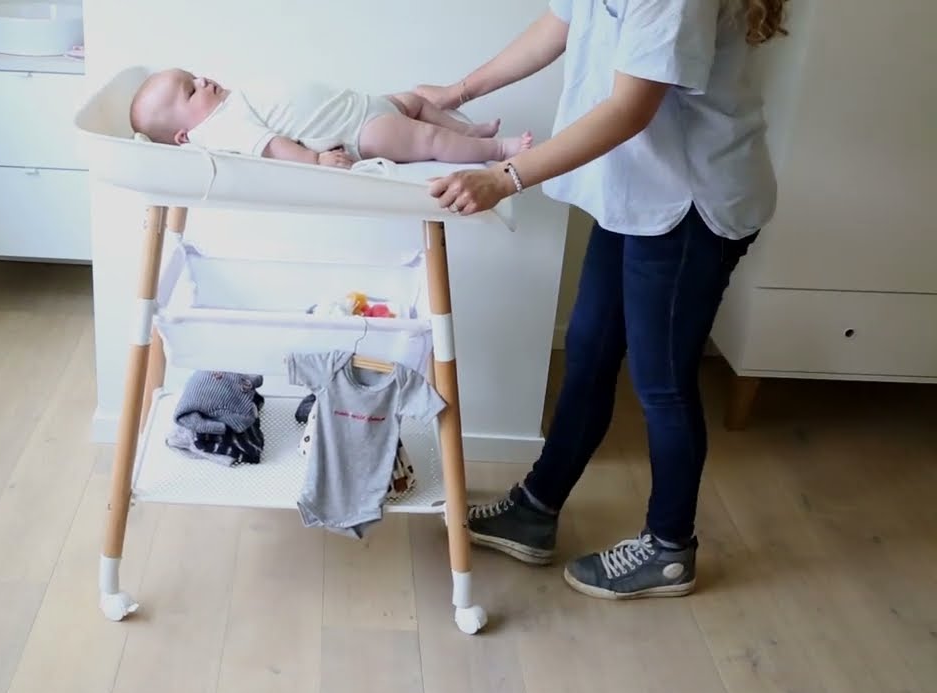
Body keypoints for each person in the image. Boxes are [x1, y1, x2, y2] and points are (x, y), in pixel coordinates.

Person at [417, 0, 787, 600]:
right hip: (638, 192)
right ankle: (536, 509)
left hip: (688, 206)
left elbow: (629, 109)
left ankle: (669, 549)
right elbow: (560, 23)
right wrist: (455, 93)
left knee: (662, 382)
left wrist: (506, 176)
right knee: (588, 351)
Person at [127, 68, 534, 168]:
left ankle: (468, 130)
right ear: (184, 135)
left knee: (414, 101)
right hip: (360, 130)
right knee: (427, 138)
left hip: (362, 106)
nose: (202, 80)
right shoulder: (220, 128)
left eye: (194, 75)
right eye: (190, 90)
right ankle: (498, 149)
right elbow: (271, 146)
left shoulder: (229, 105)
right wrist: (315, 160)